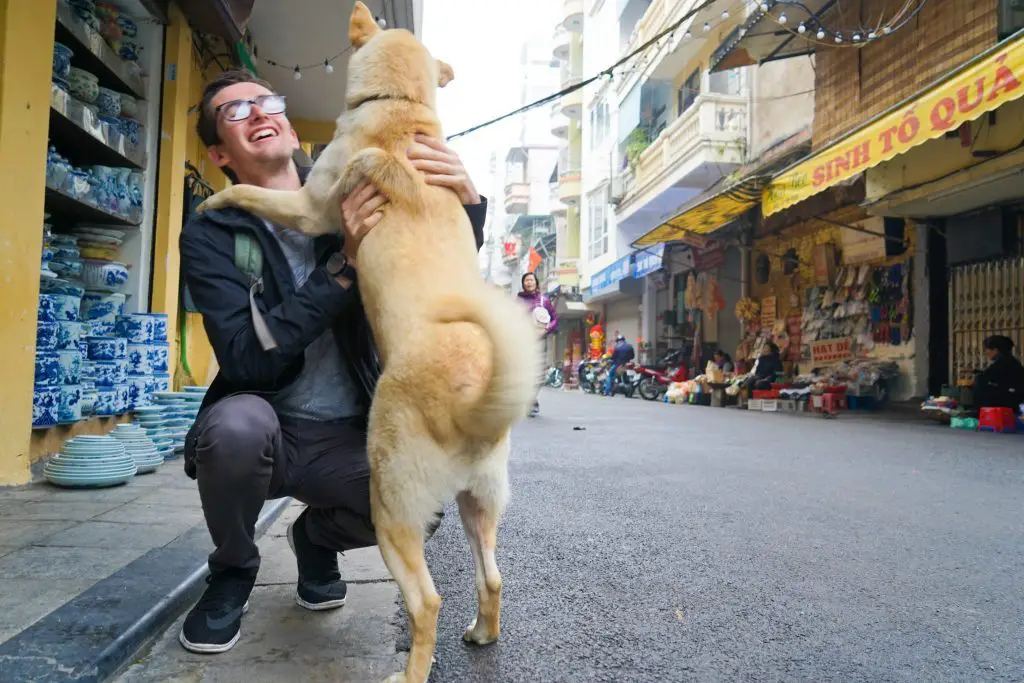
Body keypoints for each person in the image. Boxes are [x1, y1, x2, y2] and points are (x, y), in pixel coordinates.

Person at [177, 70, 487, 654]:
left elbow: (433, 276)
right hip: (267, 421)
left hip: (351, 428)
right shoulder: (213, 229)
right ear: (219, 153)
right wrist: (341, 266)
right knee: (234, 430)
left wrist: (467, 208)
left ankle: (316, 540)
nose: (258, 113)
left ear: (290, 125)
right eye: (235, 112)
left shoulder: (357, 182)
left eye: (266, 102)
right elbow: (246, 358)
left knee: (420, 504)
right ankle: (234, 570)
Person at [516, 272, 558, 416]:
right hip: (523, 340)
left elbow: (555, 318)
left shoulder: (544, 300)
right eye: (526, 280)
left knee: (539, 372)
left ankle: (532, 399)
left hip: (540, 339)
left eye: (531, 280)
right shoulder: (518, 301)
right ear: (523, 284)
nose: (529, 282)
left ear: (536, 282)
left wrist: (547, 329)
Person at [974, 335, 1024, 411]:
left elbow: (985, 376)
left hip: (1011, 401)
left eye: (987, 349)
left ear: (995, 350)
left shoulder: (1002, 362)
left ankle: (981, 412)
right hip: (1014, 397)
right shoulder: (1010, 360)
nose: (986, 352)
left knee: (979, 379)